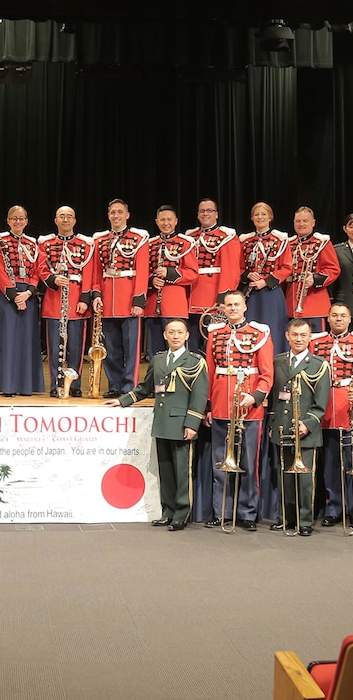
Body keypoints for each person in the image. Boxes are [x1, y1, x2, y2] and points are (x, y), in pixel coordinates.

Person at [106, 318, 208, 531]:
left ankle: (181, 514)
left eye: (180, 332)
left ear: (187, 335)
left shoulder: (195, 362)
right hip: (162, 422)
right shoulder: (159, 360)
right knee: (166, 470)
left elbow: (199, 396)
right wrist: (123, 400)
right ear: (165, 335)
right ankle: (167, 511)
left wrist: (192, 424)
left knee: (182, 472)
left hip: (181, 424)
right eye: (171, 332)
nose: (176, 336)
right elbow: (145, 388)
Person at [201, 290, 273, 530]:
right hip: (221, 403)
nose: (232, 308)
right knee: (220, 463)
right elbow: (211, 371)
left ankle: (247, 513)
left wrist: (254, 397)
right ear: (223, 308)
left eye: (236, 304)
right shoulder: (215, 335)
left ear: (245, 307)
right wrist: (209, 405)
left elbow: (266, 374)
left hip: (249, 408)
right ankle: (220, 511)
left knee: (248, 463)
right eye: (228, 305)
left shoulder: (259, 334)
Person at [309, 303, 353, 531]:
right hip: (326, 410)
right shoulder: (315, 343)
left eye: (343, 316)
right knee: (331, 466)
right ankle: (334, 509)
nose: (339, 319)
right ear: (328, 318)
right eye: (334, 315)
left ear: (350, 319)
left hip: (352, 410)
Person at [267, 319, 329, 536]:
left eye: (303, 335)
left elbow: (321, 403)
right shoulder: (278, 361)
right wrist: (273, 424)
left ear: (310, 337)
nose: (299, 339)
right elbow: (276, 397)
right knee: (284, 477)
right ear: (287, 336)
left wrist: (308, 424)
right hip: (283, 427)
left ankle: (304, 521)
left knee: (304, 480)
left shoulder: (320, 365)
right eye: (295, 335)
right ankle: (286, 518)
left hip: (306, 429)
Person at [88, 199, 149, 398]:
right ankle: (114, 384)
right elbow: (96, 272)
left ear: (127, 215)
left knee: (131, 347)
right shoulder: (100, 240)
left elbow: (142, 271)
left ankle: (129, 385)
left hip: (129, 298)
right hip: (107, 299)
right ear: (108, 215)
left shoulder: (138, 239)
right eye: (113, 212)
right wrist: (96, 294)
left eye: (120, 212)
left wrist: (138, 300)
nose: (116, 215)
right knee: (111, 348)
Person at [0, 205, 45, 397]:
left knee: (26, 341)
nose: (18, 222)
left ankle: (25, 385)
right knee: (7, 340)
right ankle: (7, 385)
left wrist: (29, 293)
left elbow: (37, 271)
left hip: (27, 296)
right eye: (14, 218)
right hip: (7, 297)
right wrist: (14, 295)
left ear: (26, 221)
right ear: (8, 221)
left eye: (21, 218)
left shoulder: (33, 244)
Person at [37, 205, 94, 398]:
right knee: (54, 348)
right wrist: (52, 279)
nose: (65, 220)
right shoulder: (45, 244)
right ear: (56, 220)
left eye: (69, 216)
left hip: (77, 300)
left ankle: (74, 384)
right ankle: (56, 384)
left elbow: (89, 273)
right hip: (55, 300)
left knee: (76, 348)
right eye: (61, 216)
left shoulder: (85, 245)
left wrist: (85, 299)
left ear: (75, 221)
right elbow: (41, 268)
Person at [185, 197, 241, 357]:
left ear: (216, 214)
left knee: (212, 345)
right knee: (191, 344)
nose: (205, 214)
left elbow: (231, 270)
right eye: (202, 211)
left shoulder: (226, 236)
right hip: (191, 297)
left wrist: (223, 298)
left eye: (209, 210)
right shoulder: (190, 237)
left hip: (213, 298)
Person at [143, 205, 197, 359]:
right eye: (162, 220)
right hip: (153, 303)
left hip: (175, 303)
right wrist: (152, 280)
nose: (166, 223)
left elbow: (193, 273)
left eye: (169, 220)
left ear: (175, 221)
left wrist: (169, 273)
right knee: (155, 351)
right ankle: (158, 382)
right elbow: (143, 271)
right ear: (157, 221)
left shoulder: (185, 243)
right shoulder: (151, 244)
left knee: (176, 349)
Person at [238, 202, 291, 349]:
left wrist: (266, 281)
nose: (260, 217)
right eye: (256, 215)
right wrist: (248, 275)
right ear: (252, 218)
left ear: (270, 217)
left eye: (263, 214)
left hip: (271, 292)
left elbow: (287, 267)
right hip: (251, 293)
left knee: (273, 329)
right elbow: (239, 267)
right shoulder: (245, 241)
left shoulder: (280, 240)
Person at [285, 206, 340, 333]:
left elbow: (333, 269)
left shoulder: (321, 242)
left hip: (314, 302)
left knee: (316, 343)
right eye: (298, 221)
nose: (301, 224)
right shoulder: (289, 244)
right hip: (291, 302)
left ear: (313, 223)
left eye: (305, 221)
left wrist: (314, 279)